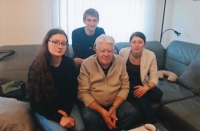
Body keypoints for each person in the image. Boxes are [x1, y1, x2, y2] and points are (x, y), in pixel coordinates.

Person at [27, 28, 85, 131]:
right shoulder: (36, 66)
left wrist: (65, 111)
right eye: (55, 42)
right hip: (45, 109)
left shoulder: (69, 63)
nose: (60, 46)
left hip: (67, 106)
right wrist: (59, 117)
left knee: (79, 129)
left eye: (63, 43)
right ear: (47, 43)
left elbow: (72, 91)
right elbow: (34, 102)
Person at [78, 34, 137, 131]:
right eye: (102, 50)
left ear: (113, 50)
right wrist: (103, 112)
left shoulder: (120, 61)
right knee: (88, 117)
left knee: (131, 112)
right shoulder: (87, 64)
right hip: (94, 102)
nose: (106, 54)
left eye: (109, 51)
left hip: (115, 101)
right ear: (96, 50)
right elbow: (83, 93)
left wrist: (114, 107)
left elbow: (125, 87)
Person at [119, 31, 163, 124]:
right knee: (139, 96)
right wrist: (141, 91)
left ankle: (131, 97)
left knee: (158, 94)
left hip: (143, 83)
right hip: (127, 83)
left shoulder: (150, 55)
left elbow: (154, 78)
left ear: (144, 44)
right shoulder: (123, 52)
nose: (137, 45)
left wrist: (146, 88)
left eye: (140, 42)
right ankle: (152, 122)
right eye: (134, 42)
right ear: (129, 43)